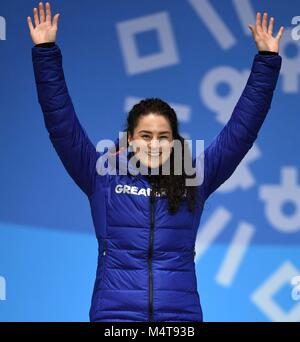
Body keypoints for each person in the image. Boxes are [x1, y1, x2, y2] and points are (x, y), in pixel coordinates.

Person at [27, 2, 284, 322]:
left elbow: (241, 132)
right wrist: (46, 52)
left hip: (179, 320)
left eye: (163, 136)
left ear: (174, 141)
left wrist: (267, 61)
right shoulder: (102, 178)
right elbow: (62, 126)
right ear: (130, 139)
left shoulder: (194, 178)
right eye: (145, 136)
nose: (154, 144)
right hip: (115, 319)